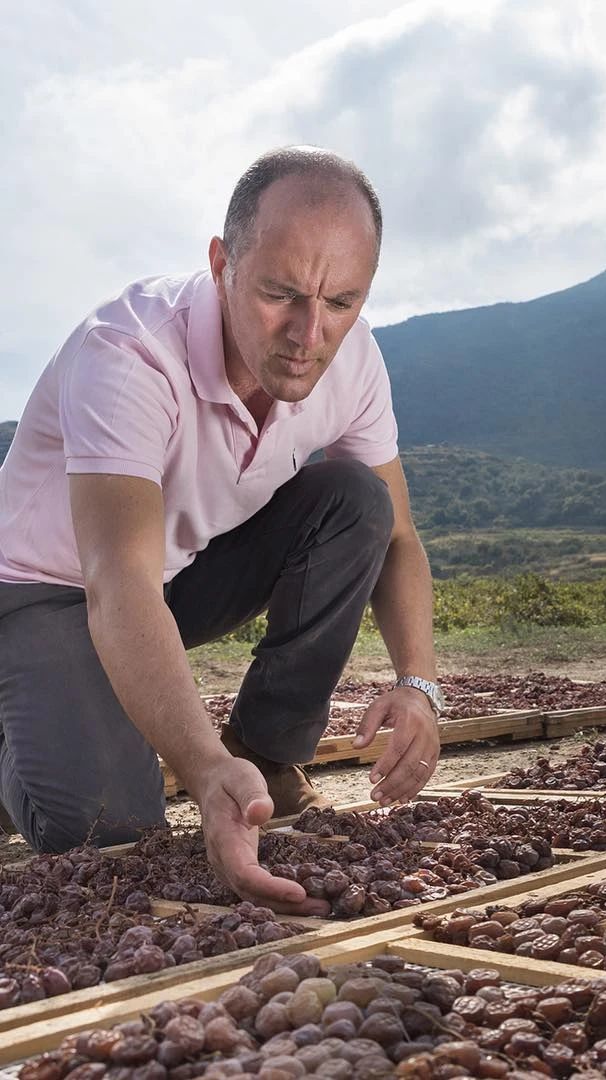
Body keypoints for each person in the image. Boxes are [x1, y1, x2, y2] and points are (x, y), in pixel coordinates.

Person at [0, 146, 445, 915]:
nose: (309, 333)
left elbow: (397, 535)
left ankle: (266, 755)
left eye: (341, 301)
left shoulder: (355, 357)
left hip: (170, 577)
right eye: (280, 293)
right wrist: (201, 769)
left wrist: (419, 686)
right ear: (221, 263)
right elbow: (117, 584)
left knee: (357, 500)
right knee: (113, 833)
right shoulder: (130, 352)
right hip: (44, 589)